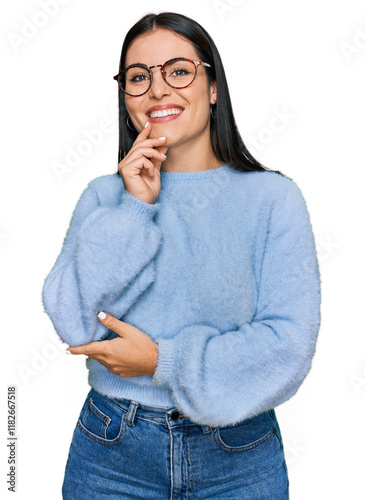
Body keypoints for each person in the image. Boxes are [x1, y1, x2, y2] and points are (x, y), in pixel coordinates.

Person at [42, 11, 321, 499]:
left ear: (213, 86)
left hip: (239, 455)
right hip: (112, 453)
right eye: (138, 77)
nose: (157, 90)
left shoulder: (273, 199)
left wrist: (161, 360)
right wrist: (134, 210)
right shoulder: (104, 199)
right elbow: (73, 322)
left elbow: (288, 343)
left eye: (177, 71)